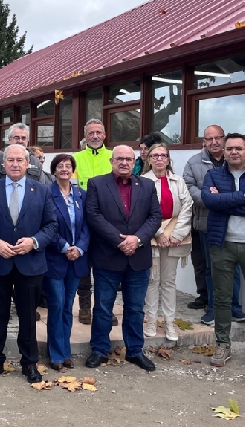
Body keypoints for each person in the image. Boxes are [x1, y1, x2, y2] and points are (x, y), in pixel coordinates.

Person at [0, 144, 58, 384]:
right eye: (10, 160)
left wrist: (33, 242)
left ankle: (29, 362)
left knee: (27, 316)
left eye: (19, 160)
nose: (14, 164)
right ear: (3, 164)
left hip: (30, 263)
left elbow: (51, 226)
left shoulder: (42, 191)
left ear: (27, 163)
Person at [84, 145, 161, 372]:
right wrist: (120, 240)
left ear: (134, 161)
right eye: (120, 159)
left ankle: (135, 350)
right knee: (103, 308)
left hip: (138, 256)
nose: (124, 163)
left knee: (136, 308)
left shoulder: (147, 185)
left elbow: (155, 216)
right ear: (112, 161)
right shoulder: (97, 184)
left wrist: (136, 240)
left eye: (129, 159)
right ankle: (99, 349)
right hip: (108, 255)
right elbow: (93, 215)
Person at [183, 125, 245, 325]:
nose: (214, 142)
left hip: (232, 226)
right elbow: (191, 189)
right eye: (209, 139)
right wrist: (212, 200)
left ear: (224, 139)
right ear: (204, 141)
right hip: (207, 224)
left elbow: (221, 199)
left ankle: (234, 308)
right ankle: (212, 308)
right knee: (212, 269)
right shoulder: (194, 163)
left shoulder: (234, 162)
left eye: (218, 138)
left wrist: (222, 201)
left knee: (232, 271)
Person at [201, 132, 245, 367]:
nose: (234, 152)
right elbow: (210, 202)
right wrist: (241, 197)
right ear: (224, 152)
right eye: (230, 149)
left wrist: (226, 200)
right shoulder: (213, 174)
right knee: (222, 298)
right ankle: (222, 345)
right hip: (222, 244)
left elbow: (220, 203)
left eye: (239, 148)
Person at [141, 143, 192, 341]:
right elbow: (143, 209)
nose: (160, 159)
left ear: (168, 159)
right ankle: (152, 320)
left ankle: (170, 322)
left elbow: (187, 206)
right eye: (155, 155)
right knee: (153, 280)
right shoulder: (143, 181)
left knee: (169, 281)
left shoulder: (178, 181)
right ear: (149, 159)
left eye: (163, 155)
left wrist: (177, 234)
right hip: (152, 234)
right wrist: (159, 233)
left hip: (175, 235)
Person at [43, 154, 89, 371]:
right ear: (54, 171)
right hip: (55, 258)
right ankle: (56, 354)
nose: (64, 169)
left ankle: (65, 351)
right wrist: (63, 247)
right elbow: (45, 226)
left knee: (68, 307)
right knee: (56, 305)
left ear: (73, 170)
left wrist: (79, 248)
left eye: (68, 166)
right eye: (60, 166)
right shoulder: (47, 194)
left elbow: (88, 226)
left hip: (76, 259)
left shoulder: (81, 195)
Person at [73, 118, 114, 326]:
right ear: (85, 136)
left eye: (98, 132)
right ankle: (85, 307)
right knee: (84, 265)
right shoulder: (76, 158)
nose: (95, 136)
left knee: (107, 267)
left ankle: (105, 307)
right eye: (91, 133)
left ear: (104, 135)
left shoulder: (113, 157)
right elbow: (70, 188)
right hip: (83, 220)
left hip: (110, 221)